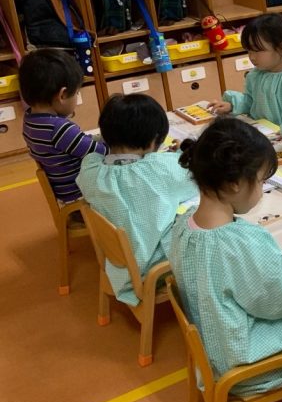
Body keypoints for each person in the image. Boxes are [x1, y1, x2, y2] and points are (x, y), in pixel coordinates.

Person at [169, 117, 282, 402]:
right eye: (261, 181)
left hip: (216, 349)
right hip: (247, 361)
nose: (262, 189)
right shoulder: (238, 243)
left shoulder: (183, 225)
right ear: (235, 183)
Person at [76, 94, 197, 305]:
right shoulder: (160, 169)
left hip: (119, 265)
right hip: (154, 266)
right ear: (153, 141)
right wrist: (179, 153)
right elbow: (195, 179)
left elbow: (94, 156)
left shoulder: (91, 171)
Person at [19, 48, 106, 203]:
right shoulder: (59, 128)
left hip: (63, 192)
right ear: (63, 95)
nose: (77, 97)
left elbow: (77, 143)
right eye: (77, 93)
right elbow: (100, 152)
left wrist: (98, 137)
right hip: (82, 194)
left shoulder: (30, 120)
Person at [208, 13, 282, 125]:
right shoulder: (255, 75)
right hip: (260, 131)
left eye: (257, 50)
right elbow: (250, 101)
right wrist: (231, 105)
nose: (252, 57)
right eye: (249, 51)